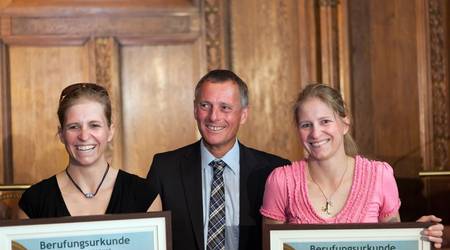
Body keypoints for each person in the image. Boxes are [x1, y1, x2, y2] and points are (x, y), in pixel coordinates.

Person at [260, 83, 444, 248]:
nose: (315, 133)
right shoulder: (281, 180)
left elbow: (393, 242)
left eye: (325, 121)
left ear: (345, 124)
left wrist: (417, 234)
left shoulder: (380, 175)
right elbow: (271, 246)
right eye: (306, 125)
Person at [146, 69, 290, 250]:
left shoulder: (275, 171)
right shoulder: (164, 169)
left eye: (225, 107)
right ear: (195, 109)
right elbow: (148, 238)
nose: (214, 116)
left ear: (243, 114)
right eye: (205, 105)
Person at [18, 83, 162, 218]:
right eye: (74, 127)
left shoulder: (144, 195)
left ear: (110, 131)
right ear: (61, 134)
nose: (84, 136)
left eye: (94, 125)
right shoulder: (33, 202)